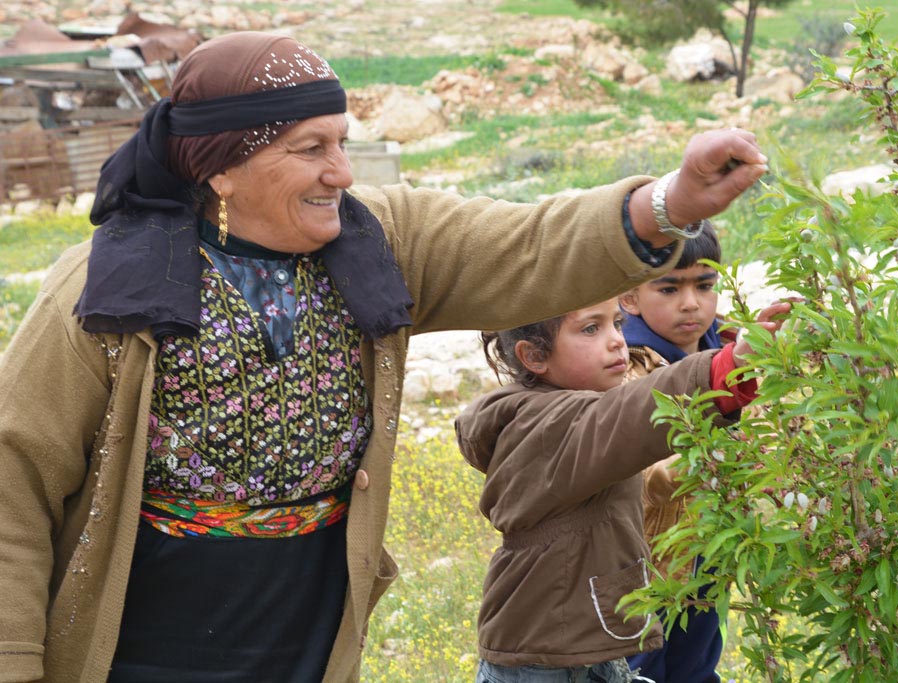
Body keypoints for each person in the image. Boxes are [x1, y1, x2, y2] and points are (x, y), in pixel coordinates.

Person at [0, 29, 768, 683]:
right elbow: (14, 478)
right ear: (220, 166)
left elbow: (523, 245)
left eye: (342, 141)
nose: (341, 171)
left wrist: (669, 204)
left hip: (307, 626)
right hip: (149, 636)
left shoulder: (377, 244)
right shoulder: (108, 285)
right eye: (311, 149)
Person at [456, 295, 789, 683]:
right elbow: (634, 414)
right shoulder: (548, 426)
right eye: (591, 328)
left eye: (616, 323)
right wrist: (726, 368)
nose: (617, 340)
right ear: (533, 356)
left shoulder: (566, 410)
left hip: (581, 645)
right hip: (542, 664)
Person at [619, 220, 733, 683]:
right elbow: (632, 465)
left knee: (698, 664)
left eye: (705, 286)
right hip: (645, 562)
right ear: (628, 297)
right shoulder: (626, 364)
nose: (691, 303)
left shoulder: (729, 345)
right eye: (668, 288)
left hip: (713, 546)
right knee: (642, 668)